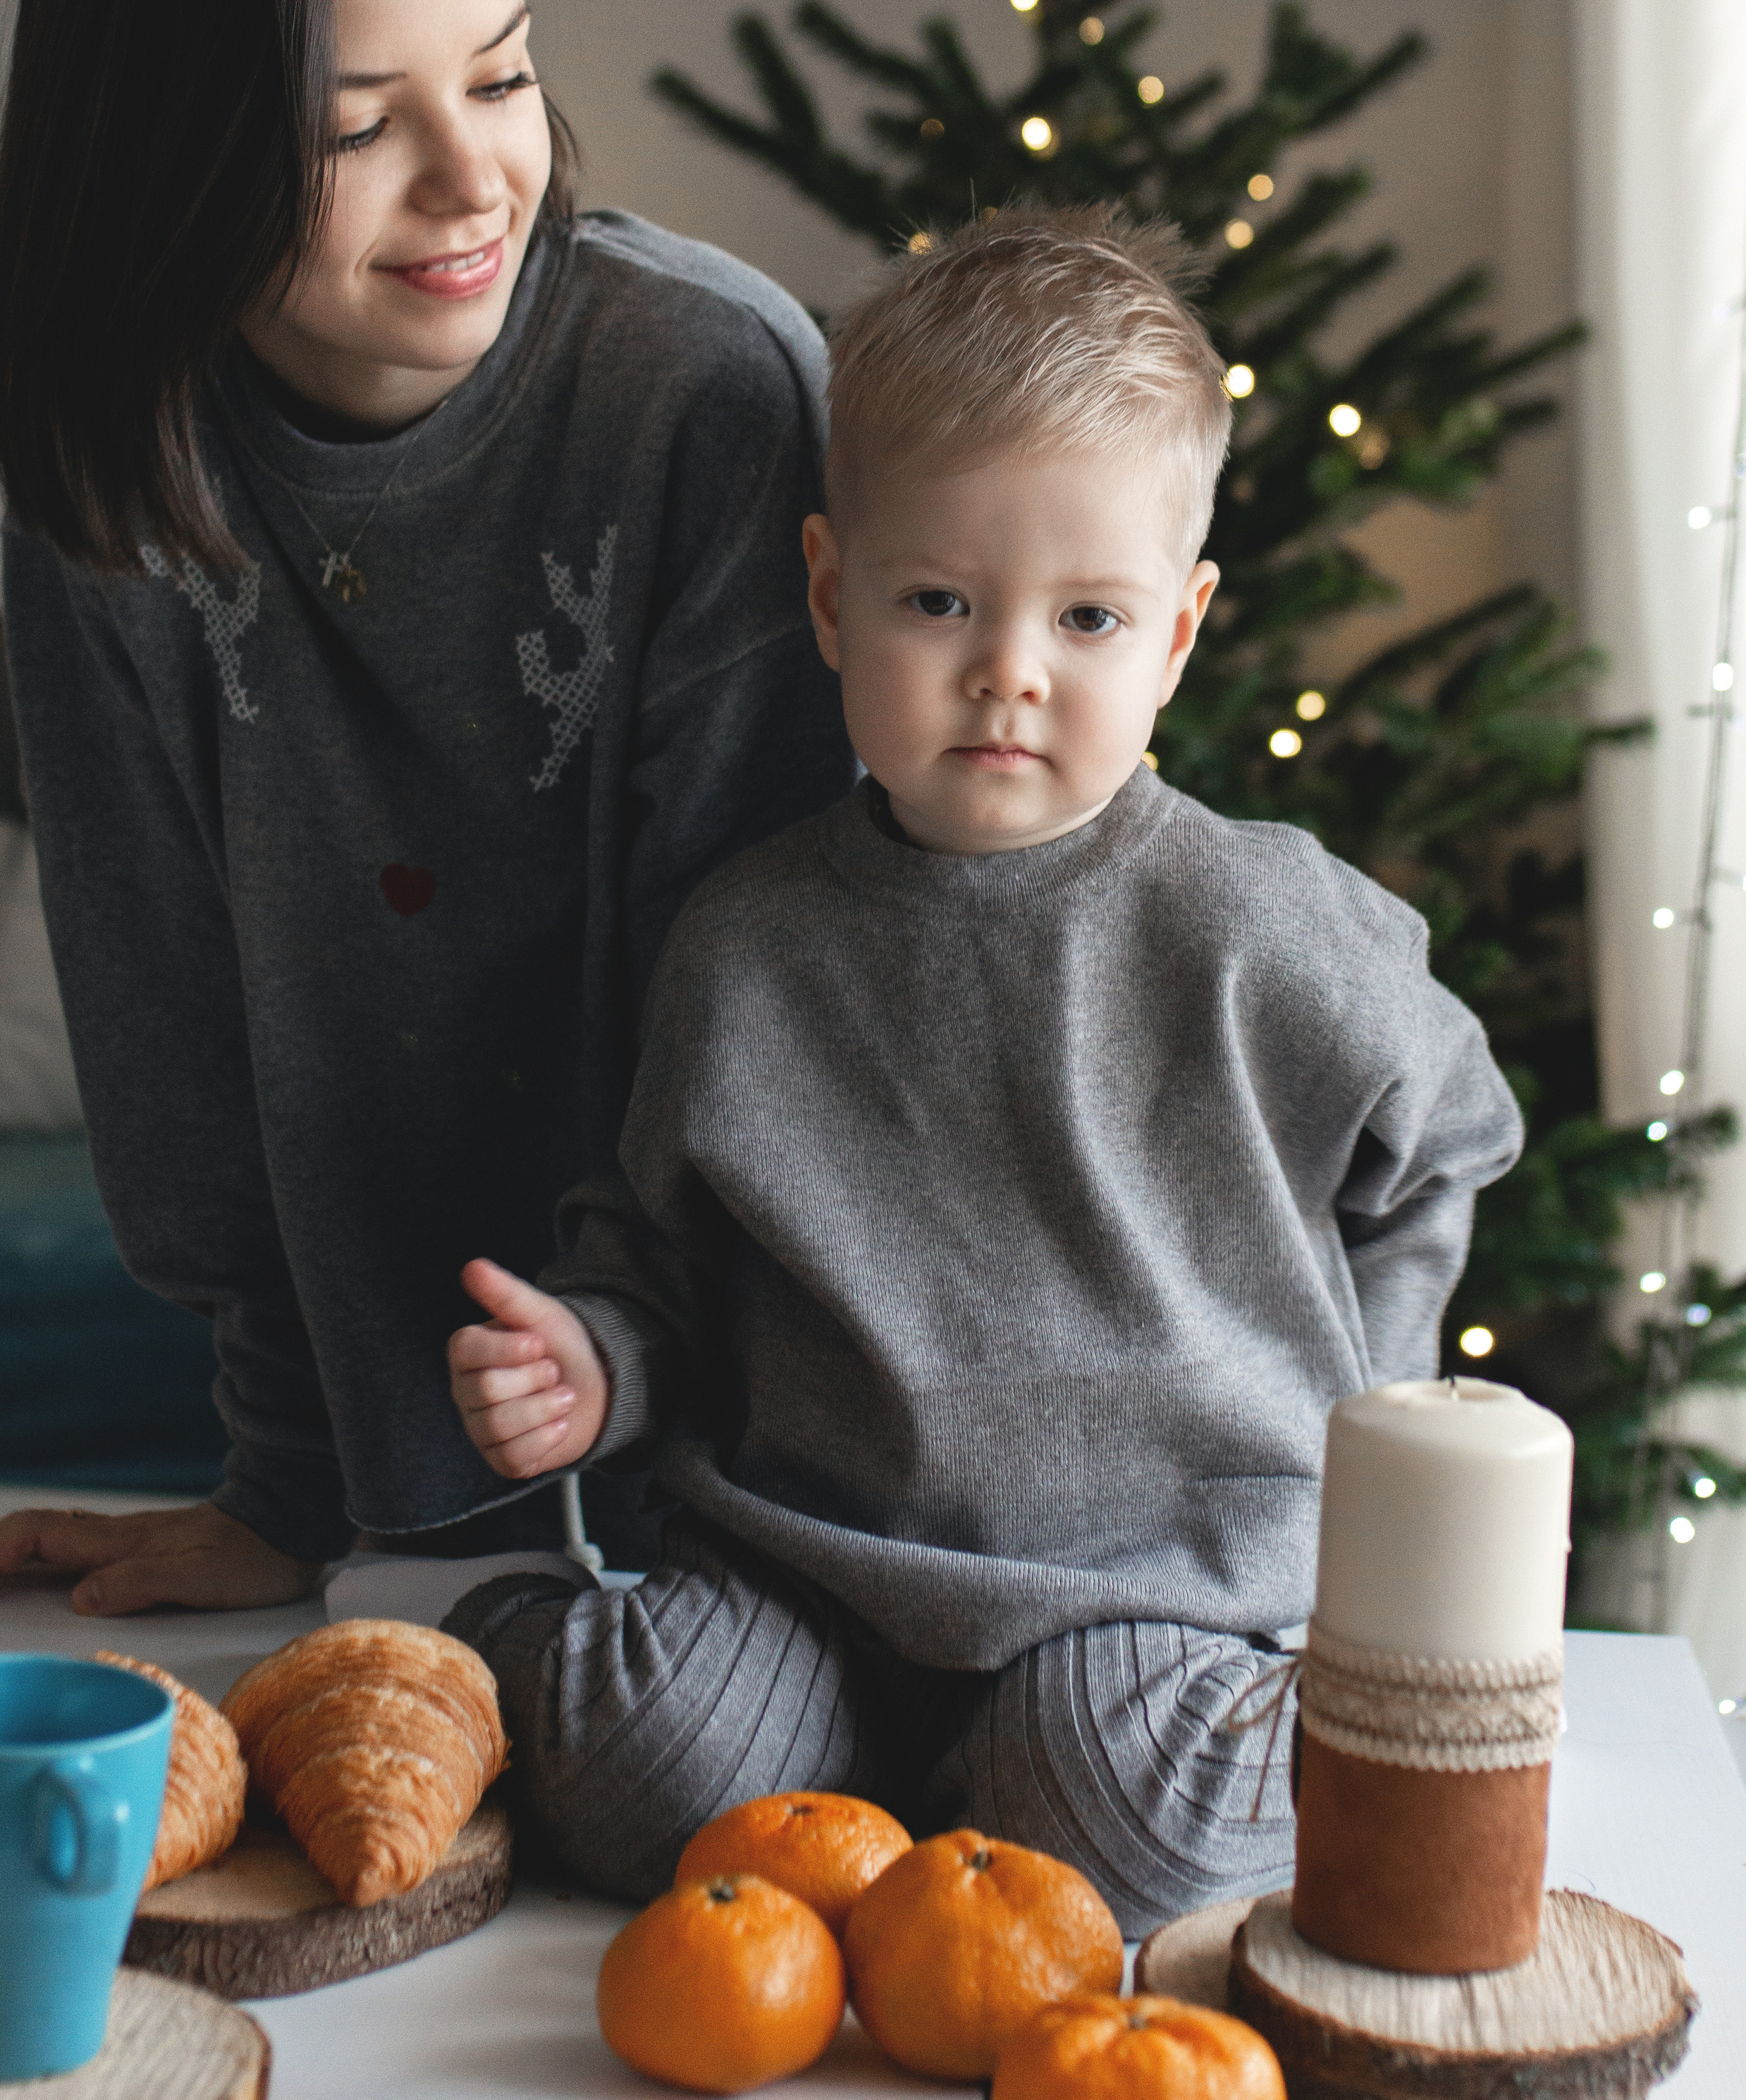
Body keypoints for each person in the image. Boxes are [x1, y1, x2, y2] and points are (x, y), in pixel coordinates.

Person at [439, 206, 1525, 1929]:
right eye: (937, 599)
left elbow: (1451, 1134)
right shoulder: (747, 944)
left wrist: (1366, 1404)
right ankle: (523, 1642)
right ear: (827, 593)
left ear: (1175, 636)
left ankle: (990, 1774)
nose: (1007, 672)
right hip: (803, 1570)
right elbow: (649, 1266)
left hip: (1136, 1596)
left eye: (1086, 618)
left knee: (1132, 1841)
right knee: (648, 1771)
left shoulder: (1264, 928)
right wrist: (593, 1367)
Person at [0, 0, 855, 1619]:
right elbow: (184, 1064)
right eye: (356, 127)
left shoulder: (707, 394)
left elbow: (765, 1030)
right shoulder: (114, 482)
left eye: (503, 79)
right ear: (165, 156)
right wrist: (278, 1493)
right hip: (394, 1498)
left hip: (765, 1472)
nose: (470, 181)